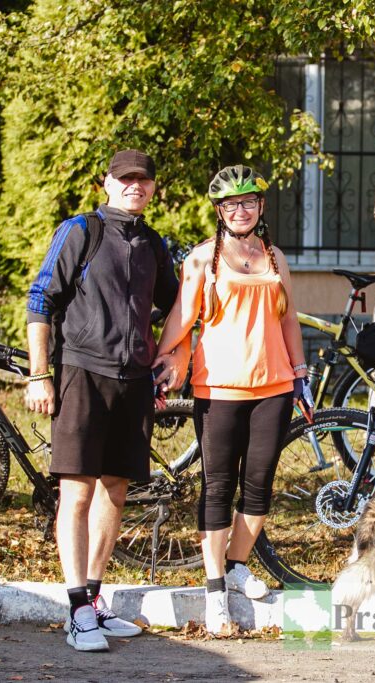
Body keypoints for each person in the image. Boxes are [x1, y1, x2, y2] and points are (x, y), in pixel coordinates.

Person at [25, 149, 179, 652]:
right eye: (125, 178)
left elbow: (177, 304)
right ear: (106, 183)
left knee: (115, 490)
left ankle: (94, 600)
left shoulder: (153, 244)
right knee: (77, 491)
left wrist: (173, 357)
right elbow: (40, 300)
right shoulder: (81, 230)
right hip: (81, 373)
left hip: (133, 380)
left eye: (143, 180)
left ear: (153, 189)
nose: (135, 186)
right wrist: (38, 374)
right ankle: (75, 610)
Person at [151, 165, 308, 634]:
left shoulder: (275, 256)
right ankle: (215, 587)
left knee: (259, 487)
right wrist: (162, 364)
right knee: (217, 487)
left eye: (249, 203)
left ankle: (236, 564)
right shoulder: (202, 259)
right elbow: (182, 317)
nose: (240, 211)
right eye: (231, 205)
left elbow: (288, 319)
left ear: (261, 207)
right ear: (220, 211)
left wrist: (300, 375)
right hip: (218, 388)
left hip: (274, 388)